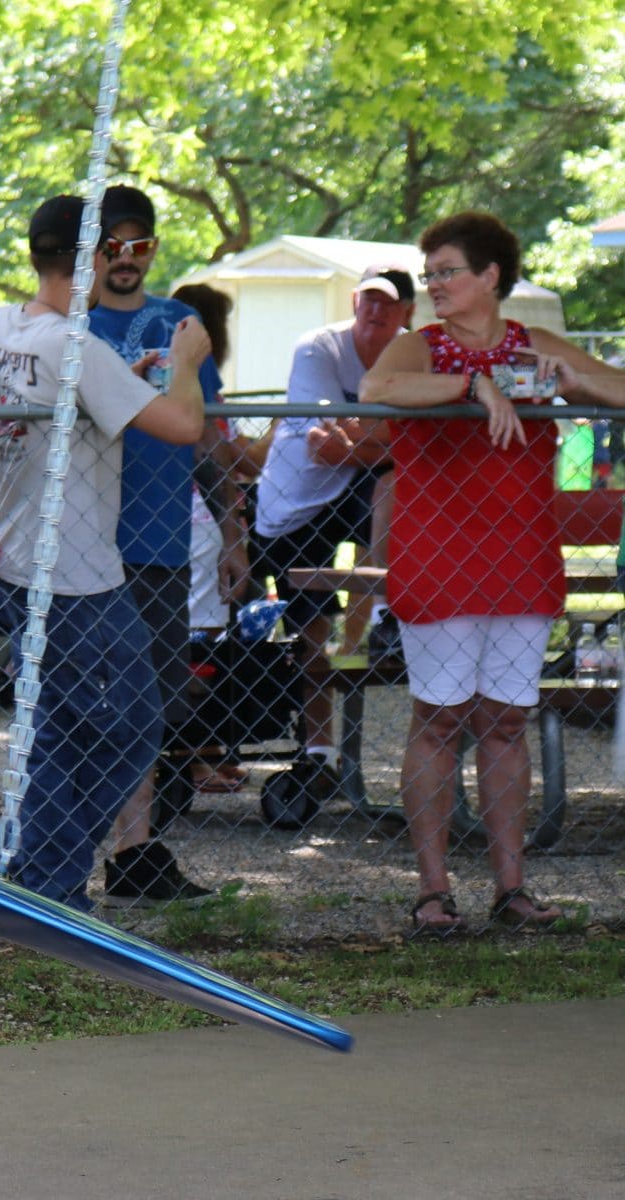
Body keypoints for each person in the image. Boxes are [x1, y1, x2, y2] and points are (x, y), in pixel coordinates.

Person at [362, 210, 625, 934]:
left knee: (507, 722)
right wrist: (473, 386)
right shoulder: (423, 347)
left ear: (490, 277)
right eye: (431, 274)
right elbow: (375, 387)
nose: (437, 285)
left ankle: (511, 889)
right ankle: (433, 889)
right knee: (439, 721)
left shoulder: (533, 344)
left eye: (448, 272)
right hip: (440, 563)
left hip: (521, 561)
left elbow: (618, 385)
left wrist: (570, 377)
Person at [0, 193, 210, 912]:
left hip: (10, 556)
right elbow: (183, 424)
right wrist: (190, 361)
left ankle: (39, 876)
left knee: (54, 726)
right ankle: (51, 877)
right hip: (76, 576)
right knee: (132, 726)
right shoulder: (76, 348)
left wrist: (121, 384)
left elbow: (69, 408)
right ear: (96, 257)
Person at [87, 185, 238, 903]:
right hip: (86, 543)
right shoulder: (69, 323)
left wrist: (232, 528)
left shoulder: (181, 324)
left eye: (138, 245)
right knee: (82, 701)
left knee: (145, 703)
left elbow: (201, 430)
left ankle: (134, 851)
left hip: (160, 541)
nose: (125, 259)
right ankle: (60, 847)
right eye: (110, 246)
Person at [252, 266, 414, 799]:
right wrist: (385, 440)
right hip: (299, 503)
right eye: (368, 300)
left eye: (388, 303)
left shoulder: (414, 355)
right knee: (310, 638)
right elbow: (322, 444)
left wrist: (369, 443)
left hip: (363, 487)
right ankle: (318, 754)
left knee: (393, 482)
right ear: (355, 301)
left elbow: (404, 448)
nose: (376, 311)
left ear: (406, 312)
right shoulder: (318, 348)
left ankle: (384, 614)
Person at [169, 283, 249, 794]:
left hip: (193, 515)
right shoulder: (195, 376)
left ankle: (206, 748)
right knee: (198, 638)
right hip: (196, 517)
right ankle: (191, 755)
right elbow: (221, 449)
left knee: (201, 634)